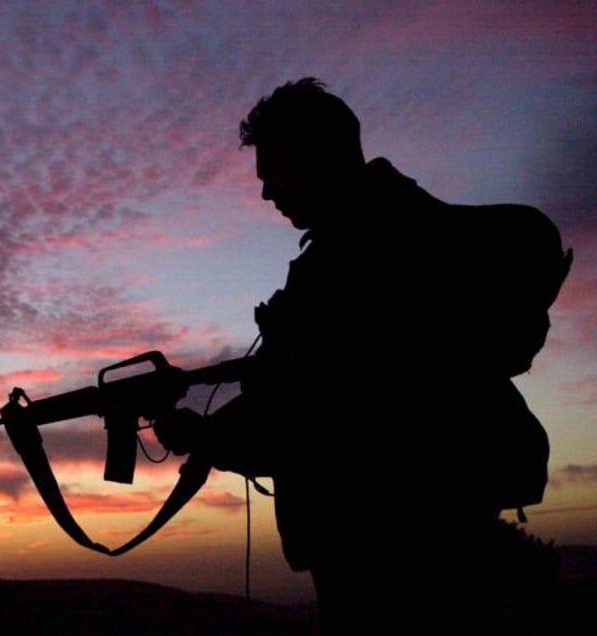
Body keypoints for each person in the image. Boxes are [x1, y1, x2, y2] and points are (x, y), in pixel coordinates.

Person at [152, 77, 570, 634]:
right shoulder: (396, 229)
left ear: (319, 155)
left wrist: (199, 436)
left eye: (274, 171)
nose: (266, 193)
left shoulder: (362, 256)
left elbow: (319, 418)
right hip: (434, 531)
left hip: (390, 544)